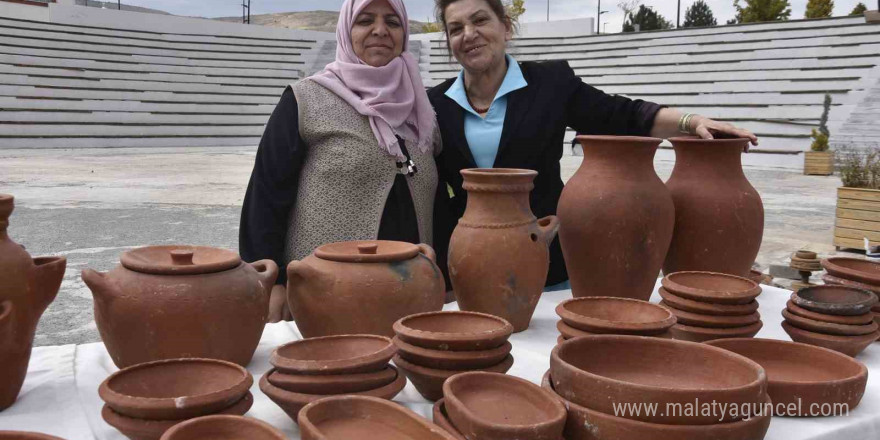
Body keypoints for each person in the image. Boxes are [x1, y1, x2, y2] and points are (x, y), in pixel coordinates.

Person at [428, 0, 758, 290]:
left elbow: (621, 114)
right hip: (468, 263)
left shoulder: (551, 83)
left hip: (548, 259)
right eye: (456, 28)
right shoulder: (435, 104)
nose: (468, 33)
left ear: (506, 27)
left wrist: (690, 121)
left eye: (480, 20)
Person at [240, 0, 441, 322]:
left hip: (410, 296)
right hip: (322, 296)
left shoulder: (423, 108)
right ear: (347, 31)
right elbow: (266, 194)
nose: (380, 30)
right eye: (365, 20)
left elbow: (440, 201)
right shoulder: (305, 99)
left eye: (392, 21)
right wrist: (272, 281)